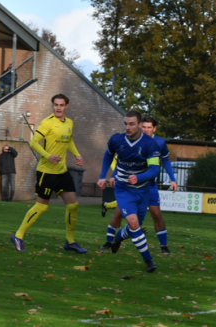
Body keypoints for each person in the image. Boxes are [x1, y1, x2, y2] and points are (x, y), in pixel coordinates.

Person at [11, 94, 86, 253]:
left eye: (61, 105)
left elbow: (69, 140)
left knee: (73, 205)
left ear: (67, 107)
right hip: (46, 172)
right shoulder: (47, 123)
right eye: (56, 105)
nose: (58, 108)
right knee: (41, 207)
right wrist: (48, 156)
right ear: (53, 106)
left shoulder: (70, 123)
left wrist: (77, 155)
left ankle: (70, 242)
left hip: (62, 171)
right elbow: (33, 142)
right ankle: (18, 235)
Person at [100, 116, 177, 254]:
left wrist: (172, 179)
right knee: (118, 212)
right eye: (144, 127)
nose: (146, 130)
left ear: (154, 128)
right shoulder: (131, 140)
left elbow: (165, 161)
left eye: (149, 127)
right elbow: (124, 161)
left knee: (156, 214)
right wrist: (114, 175)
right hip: (129, 186)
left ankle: (164, 247)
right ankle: (108, 241)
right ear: (140, 126)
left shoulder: (159, 143)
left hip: (149, 185)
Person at [96, 111, 160, 273]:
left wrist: (140, 177)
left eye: (131, 124)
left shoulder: (149, 144)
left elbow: (154, 169)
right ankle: (149, 260)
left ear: (139, 125)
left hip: (143, 190)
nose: (128, 127)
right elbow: (108, 155)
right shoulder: (116, 140)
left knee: (135, 227)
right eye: (125, 123)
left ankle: (117, 238)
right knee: (133, 223)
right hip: (124, 189)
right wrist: (103, 176)